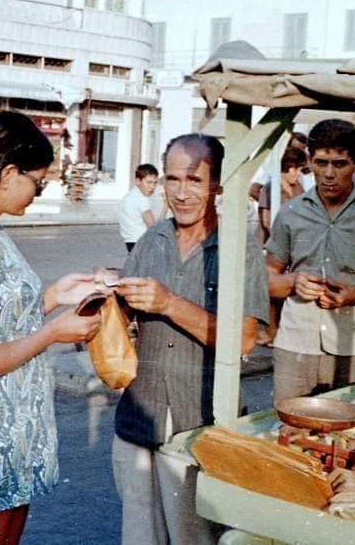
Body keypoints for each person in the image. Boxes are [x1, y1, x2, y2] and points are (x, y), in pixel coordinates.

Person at [0, 111, 104, 545]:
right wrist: (52, 333)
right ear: (9, 173)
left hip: (12, 429)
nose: (38, 192)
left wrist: (54, 296)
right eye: (38, 181)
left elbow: (2, 317)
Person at [111, 134, 269, 545]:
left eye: (194, 180)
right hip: (138, 417)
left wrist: (168, 303)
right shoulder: (151, 241)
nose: (180, 193)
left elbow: (245, 340)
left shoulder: (239, 251)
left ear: (216, 185)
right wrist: (106, 295)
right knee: (139, 536)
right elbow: (120, 321)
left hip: (199, 427)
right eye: (172, 179)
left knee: (193, 537)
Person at [265, 119, 355, 400]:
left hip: (354, 347)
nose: (329, 173)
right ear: (309, 161)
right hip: (295, 345)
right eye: (321, 162)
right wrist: (294, 281)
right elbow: (266, 281)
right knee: (287, 434)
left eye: (340, 164)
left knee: (349, 437)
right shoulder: (290, 212)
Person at [256, 146, 308, 245]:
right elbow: (267, 222)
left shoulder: (298, 188)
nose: (298, 174)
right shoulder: (269, 188)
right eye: (296, 170)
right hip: (271, 243)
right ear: (287, 166)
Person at [118, 163, 160, 253]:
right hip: (142, 241)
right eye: (149, 182)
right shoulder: (141, 199)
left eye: (155, 183)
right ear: (138, 181)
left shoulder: (129, 196)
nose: (152, 187)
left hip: (130, 241)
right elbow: (152, 225)